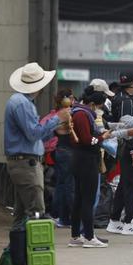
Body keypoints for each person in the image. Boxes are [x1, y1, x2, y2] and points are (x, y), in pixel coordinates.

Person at [5, 63, 71, 226]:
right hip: (26, 164)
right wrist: (58, 119)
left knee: (22, 214)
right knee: (35, 212)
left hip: (23, 162)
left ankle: (16, 251)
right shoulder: (23, 104)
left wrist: (55, 130)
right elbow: (34, 133)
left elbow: (33, 134)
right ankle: (33, 249)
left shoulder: (20, 102)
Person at [68, 86, 112, 248]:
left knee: (80, 199)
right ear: (92, 103)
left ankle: (76, 235)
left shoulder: (78, 111)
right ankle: (88, 236)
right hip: (86, 160)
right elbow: (87, 140)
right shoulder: (82, 115)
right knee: (87, 199)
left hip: (80, 160)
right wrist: (102, 137)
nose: (99, 111)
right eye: (99, 107)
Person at [106, 72, 133, 236]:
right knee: (132, 185)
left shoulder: (122, 98)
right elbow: (127, 129)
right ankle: (129, 221)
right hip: (131, 146)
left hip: (127, 146)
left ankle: (115, 220)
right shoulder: (126, 102)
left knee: (125, 183)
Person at [46, 89, 76, 228]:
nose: (74, 100)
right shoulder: (66, 114)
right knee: (68, 185)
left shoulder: (56, 114)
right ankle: (68, 215)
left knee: (62, 184)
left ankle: (62, 216)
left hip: (60, 150)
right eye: (71, 97)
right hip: (67, 151)